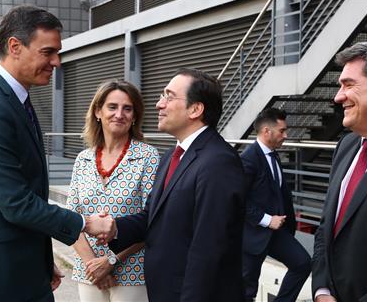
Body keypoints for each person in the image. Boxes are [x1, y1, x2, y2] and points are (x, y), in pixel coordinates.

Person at [0, 5, 114, 302]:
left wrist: (41, 260)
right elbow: (16, 203)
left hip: (16, 267)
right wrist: (84, 223)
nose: (56, 62)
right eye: (48, 52)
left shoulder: (13, 100)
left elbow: (27, 193)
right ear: (14, 47)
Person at [94, 68, 250, 302]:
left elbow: (209, 250)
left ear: (195, 109)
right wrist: (114, 227)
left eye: (168, 96)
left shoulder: (219, 162)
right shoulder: (172, 156)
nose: (159, 104)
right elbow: (153, 217)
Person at [312, 38, 367, 302]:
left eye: (348, 85)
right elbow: (326, 229)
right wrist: (322, 290)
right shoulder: (346, 147)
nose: (338, 97)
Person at [66, 79, 159, 302]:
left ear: (135, 116)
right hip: (88, 271)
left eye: (127, 108)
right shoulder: (83, 160)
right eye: (112, 107)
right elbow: (71, 218)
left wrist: (110, 262)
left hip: (132, 272)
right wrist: (94, 267)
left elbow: (154, 218)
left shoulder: (148, 157)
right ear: (98, 111)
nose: (120, 114)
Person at [240, 108, 311, 301]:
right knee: (247, 292)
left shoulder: (273, 154)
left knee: (303, 263)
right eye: (282, 131)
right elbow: (239, 200)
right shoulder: (248, 160)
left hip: (277, 233)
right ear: (266, 132)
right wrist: (267, 219)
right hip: (253, 234)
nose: (285, 135)